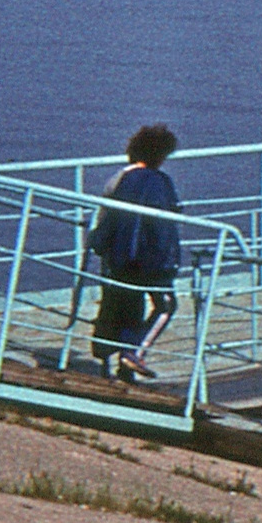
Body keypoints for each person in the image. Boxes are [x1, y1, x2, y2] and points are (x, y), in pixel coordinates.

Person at [87, 124, 183, 382]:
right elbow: (169, 220)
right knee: (165, 305)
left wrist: (99, 243)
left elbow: (106, 217)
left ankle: (106, 361)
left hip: (118, 257)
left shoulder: (119, 178)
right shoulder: (161, 182)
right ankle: (133, 352)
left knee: (115, 306)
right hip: (152, 261)